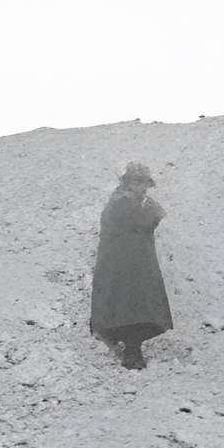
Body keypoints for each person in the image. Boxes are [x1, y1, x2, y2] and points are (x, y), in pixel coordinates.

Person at [89, 159, 172, 370]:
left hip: (137, 264)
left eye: (144, 183)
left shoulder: (137, 203)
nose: (142, 188)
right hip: (122, 267)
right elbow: (141, 222)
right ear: (129, 183)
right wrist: (152, 213)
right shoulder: (119, 204)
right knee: (128, 307)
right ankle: (131, 351)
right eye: (138, 183)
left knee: (139, 306)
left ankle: (132, 348)